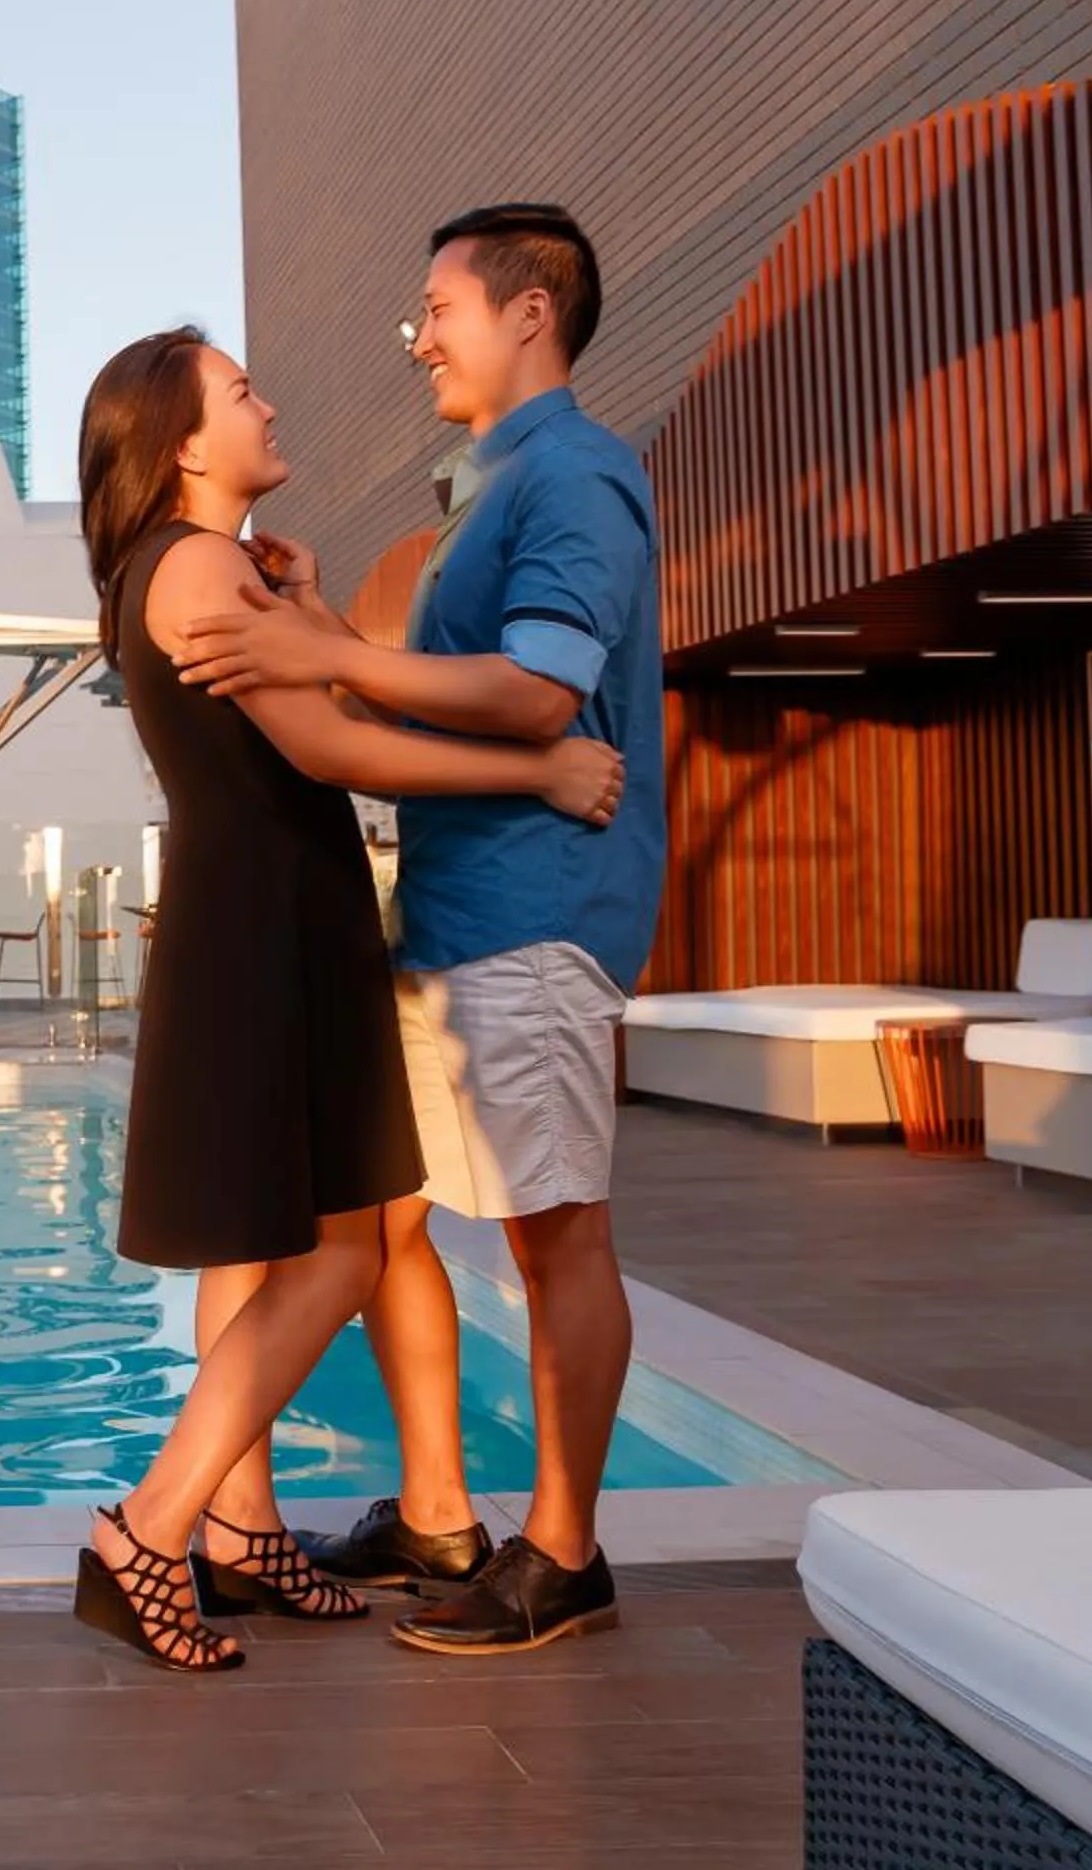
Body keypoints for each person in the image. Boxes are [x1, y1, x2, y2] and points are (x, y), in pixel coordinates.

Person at [73, 325, 624, 1673]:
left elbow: (317, 691)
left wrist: (310, 611)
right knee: (332, 1247)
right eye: (240, 391)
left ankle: (233, 1534)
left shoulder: (205, 566)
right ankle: (149, 1530)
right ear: (185, 442)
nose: (270, 401)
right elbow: (331, 743)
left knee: (314, 1234)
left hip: (276, 919)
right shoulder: (197, 564)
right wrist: (541, 773)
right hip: (266, 927)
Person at [173, 203, 666, 1656]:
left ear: (529, 314)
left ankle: (563, 1553)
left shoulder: (578, 474)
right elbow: (449, 692)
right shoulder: (492, 489)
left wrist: (320, 653)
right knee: (379, 1219)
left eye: (436, 310)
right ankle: (439, 1513)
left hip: (536, 915)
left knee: (556, 1235)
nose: (417, 340)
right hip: (455, 914)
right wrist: (348, 639)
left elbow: (537, 695)